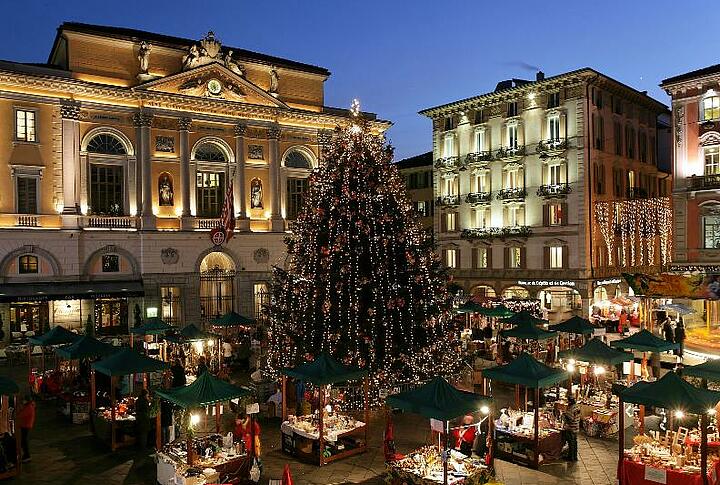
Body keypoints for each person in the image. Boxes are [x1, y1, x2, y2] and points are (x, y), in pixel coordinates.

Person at [17, 396, 35, 463]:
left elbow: (20, 415)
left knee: (24, 441)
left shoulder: (29, 407)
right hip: (25, 425)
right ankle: (25, 455)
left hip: (26, 426)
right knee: (23, 440)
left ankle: (27, 456)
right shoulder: (29, 406)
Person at [561, 397, 580, 461]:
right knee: (574, 442)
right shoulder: (577, 407)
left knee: (571, 443)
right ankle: (575, 456)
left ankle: (571, 457)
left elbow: (570, 419)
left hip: (571, 427)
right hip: (576, 427)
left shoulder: (571, 409)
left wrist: (564, 414)